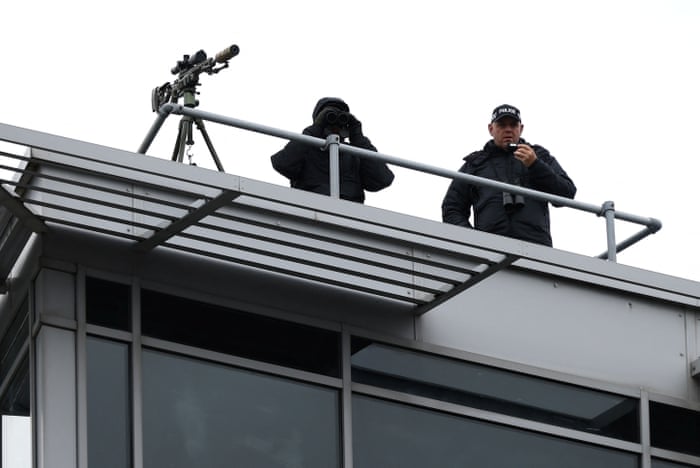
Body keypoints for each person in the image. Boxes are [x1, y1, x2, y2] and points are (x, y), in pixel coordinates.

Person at [441, 104, 576, 247]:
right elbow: (451, 208)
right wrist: (474, 241)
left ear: (521, 129)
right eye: (502, 125)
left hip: (537, 248)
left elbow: (567, 193)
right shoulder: (475, 163)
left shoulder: (538, 156)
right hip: (489, 249)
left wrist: (535, 165)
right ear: (491, 129)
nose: (508, 130)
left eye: (513, 125)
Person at [271, 97, 394, 203]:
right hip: (310, 211)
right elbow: (282, 164)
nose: (334, 124)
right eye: (329, 117)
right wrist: (314, 130)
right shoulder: (304, 150)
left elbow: (383, 179)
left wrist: (357, 137)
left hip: (350, 215)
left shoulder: (354, 155)